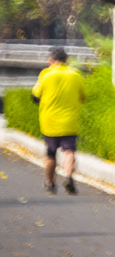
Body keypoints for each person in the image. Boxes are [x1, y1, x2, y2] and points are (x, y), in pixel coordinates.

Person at [32, 47, 86, 195]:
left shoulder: (46, 74)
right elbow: (83, 97)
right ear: (66, 60)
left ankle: (50, 184)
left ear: (51, 60)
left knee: (50, 154)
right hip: (69, 121)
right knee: (69, 151)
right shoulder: (75, 75)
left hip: (49, 122)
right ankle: (68, 176)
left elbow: (35, 96)